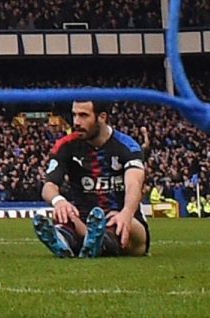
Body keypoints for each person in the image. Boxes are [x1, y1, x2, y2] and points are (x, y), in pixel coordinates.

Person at [33, 99, 148, 258]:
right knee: (65, 217)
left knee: (118, 226)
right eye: (74, 115)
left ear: (102, 117)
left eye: (83, 116)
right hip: (83, 220)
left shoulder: (127, 147)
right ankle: (63, 238)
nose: (76, 122)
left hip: (120, 219)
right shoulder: (66, 146)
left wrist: (126, 213)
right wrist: (59, 201)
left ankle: (94, 242)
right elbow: (49, 185)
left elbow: (134, 184)